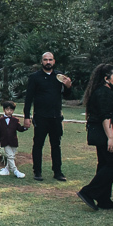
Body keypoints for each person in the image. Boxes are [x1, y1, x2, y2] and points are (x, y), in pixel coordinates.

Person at [77, 63, 113, 211]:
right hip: (107, 134)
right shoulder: (103, 93)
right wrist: (111, 138)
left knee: (105, 164)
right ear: (106, 78)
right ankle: (89, 192)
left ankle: (104, 199)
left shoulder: (106, 92)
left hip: (110, 133)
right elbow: (106, 117)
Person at [23, 51, 73, 181]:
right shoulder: (35, 77)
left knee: (56, 145)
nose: (48, 62)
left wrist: (68, 87)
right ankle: (37, 171)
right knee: (38, 144)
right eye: (45, 60)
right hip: (40, 117)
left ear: (54, 61)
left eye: (50, 60)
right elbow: (29, 98)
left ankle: (57, 172)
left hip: (56, 117)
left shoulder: (59, 76)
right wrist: (26, 117)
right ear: (42, 62)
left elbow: (67, 95)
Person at [0, 100, 27, 178]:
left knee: (11, 156)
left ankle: (6, 170)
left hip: (13, 141)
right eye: (7, 109)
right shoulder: (0, 121)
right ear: (4, 110)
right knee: (10, 156)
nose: (9, 111)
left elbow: (19, 129)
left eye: (11, 110)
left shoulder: (15, 120)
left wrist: (25, 127)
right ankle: (15, 171)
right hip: (5, 141)